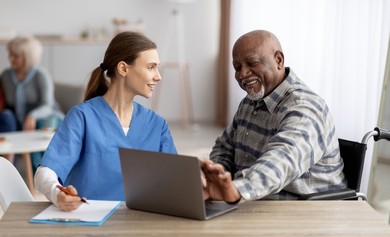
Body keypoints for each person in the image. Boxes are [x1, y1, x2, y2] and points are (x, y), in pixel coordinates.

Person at [34, 31, 177, 211]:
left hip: (141, 224)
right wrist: (58, 194)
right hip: (89, 223)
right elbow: (44, 173)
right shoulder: (83, 117)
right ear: (123, 68)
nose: (158, 76)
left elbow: (175, 182)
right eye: (151, 67)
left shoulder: (157, 125)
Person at [200, 30, 346, 203]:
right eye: (237, 67)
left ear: (278, 60)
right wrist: (218, 176)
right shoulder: (249, 102)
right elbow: (225, 146)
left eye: (252, 63)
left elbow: (281, 161)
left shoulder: (305, 108)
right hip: (252, 202)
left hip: (305, 211)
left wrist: (238, 189)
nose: (243, 74)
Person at [0, 35, 63, 167]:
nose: (10, 58)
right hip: (18, 119)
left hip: (44, 115)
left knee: (39, 127)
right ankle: (9, 168)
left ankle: (42, 174)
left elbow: (48, 104)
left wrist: (32, 116)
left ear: (27, 57)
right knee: (6, 116)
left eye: (15, 56)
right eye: (10, 54)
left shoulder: (41, 75)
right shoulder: (5, 75)